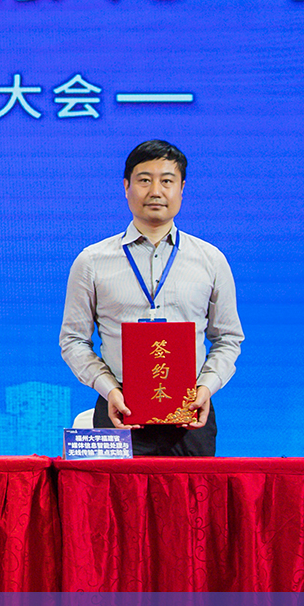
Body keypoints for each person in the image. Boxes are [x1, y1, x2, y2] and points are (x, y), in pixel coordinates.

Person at [60, 140, 242, 456]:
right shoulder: (91, 261)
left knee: (190, 492)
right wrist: (109, 389)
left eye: (167, 181)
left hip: (191, 416)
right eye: (144, 180)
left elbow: (228, 338)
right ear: (126, 187)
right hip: (119, 412)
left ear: (182, 188)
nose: (155, 191)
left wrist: (206, 387)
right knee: (116, 492)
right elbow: (73, 340)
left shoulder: (211, 260)